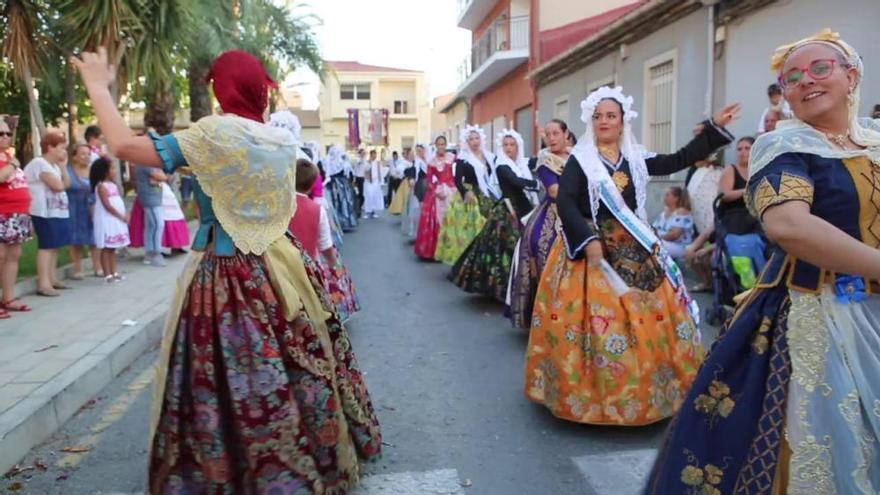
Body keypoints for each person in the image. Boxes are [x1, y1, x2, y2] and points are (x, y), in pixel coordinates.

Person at [72, 47, 381, 493]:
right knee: (298, 356)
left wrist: (98, 86)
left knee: (226, 370)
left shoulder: (214, 133)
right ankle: (311, 454)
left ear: (221, 90)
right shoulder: (275, 136)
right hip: (284, 263)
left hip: (227, 269)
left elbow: (122, 146)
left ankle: (240, 469)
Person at [646, 29, 880, 494]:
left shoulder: (874, 141)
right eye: (793, 77)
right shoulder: (785, 145)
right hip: (819, 312)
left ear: (852, 76)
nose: (806, 81)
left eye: (820, 69)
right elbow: (789, 226)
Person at [525, 86, 738, 426]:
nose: (604, 121)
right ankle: (597, 397)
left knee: (650, 319)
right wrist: (589, 239)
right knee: (600, 324)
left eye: (611, 116)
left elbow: (677, 159)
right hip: (591, 249)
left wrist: (712, 129)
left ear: (623, 121)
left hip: (637, 250)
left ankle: (656, 391)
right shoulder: (582, 160)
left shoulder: (635, 157)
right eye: (598, 117)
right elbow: (566, 202)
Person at [449, 129, 536, 301]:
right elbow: (514, 181)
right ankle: (505, 288)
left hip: (507, 203)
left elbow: (531, 163)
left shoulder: (499, 159)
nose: (509, 148)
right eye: (505, 145)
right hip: (498, 205)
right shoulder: (499, 165)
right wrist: (537, 184)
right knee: (506, 246)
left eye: (512, 145)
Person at [508, 119, 571, 329]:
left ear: (566, 134)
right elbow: (555, 192)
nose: (551, 138)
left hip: (578, 213)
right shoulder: (546, 162)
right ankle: (544, 317)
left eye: (556, 133)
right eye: (548, 134)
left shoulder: (578, 157)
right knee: (539, 247)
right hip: (553, 214)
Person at [289, 158, 361, 322]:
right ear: (312, 184)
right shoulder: (317, 210)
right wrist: (333, 264)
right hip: (308, 265)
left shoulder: (279, 206)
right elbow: (325, 245)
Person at [435, 125, 495, 265]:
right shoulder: (463, 158)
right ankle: (466, 260)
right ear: (467, 142)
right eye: (471, 139)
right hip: (469, 194)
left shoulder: (488, 157)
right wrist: (465, 192)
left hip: (485, 192)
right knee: (469, 228)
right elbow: (457, 179)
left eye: (476, 138)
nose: (474, 142)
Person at [25, 130, 72, 297]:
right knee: (46, 245)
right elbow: (58, 186)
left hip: (57, 211)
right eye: (60, 147)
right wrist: (62, 181)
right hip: (43, 211)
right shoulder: (40, 163)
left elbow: (67, 182)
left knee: (55, 245)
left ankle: (52, 278)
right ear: (50, 147)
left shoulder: (54, 166)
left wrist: (63, 167)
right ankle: (43, 283)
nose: (63, 151)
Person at [0, 117, 32, 316]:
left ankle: (8, 297)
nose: (5, 137)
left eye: (7, 133)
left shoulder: (7, 157)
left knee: (13, 255)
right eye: (0, 133)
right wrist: (13, 164)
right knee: (0, 256)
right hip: (2, 213)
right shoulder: (9, 161)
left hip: (18, 214)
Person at [684, 153, 724, 292]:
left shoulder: (718, 172)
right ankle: (707, 282)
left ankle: (717, 286)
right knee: (692, 253)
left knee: (707, 254)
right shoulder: (695, 172)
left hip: (714, 220)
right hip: (699, 221)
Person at [415, 135, 457, 259]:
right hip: (438, 192)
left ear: (446, 145)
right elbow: (429, 180)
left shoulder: (453, 158)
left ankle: (451, 249)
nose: (441, 146)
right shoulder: (432, 161)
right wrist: (435, 190)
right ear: (436, 146)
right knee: (436, 220)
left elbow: (458, 174)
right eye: (439, 144)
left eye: (443, 144)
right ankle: (435, 251)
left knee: (452, 219)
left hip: (452, 190)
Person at [90, 157, 129, 282]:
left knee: (113, 248)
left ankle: (115, 271)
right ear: (104, 171)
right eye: (112, 168)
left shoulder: (113, 185)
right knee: (107, 248)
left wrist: (124, 214)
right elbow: (107, 205)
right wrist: (120, 215)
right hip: (108, 220)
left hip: (115, 220)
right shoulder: (101, 187)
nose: (115, 171)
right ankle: (107, 274)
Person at [67, 143, 101, 278]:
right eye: (82, 154)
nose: (86, 157)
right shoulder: (68, 171)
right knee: (76, 240)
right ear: (74, 157)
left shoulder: (93, 171)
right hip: (75, 209)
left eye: (88, 154)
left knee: (95, 239)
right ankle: (78, 269)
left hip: (93, 209)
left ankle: (97, 266)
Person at [718, 136, 760, 235]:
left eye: (747, 148)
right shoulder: (730, 169)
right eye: (739, 149)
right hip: (734, 216)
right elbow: (723, 195)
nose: (742, 152)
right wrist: (745, 191)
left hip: (756, 217)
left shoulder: (759, 170)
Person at [132, 163, 168, 266]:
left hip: (153, 197)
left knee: (151, 226)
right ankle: (156, 253)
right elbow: (162, 177)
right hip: (150, 198)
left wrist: (159, 177)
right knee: (158, 224)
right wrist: (160, 176)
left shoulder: (150, 164)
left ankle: (149, 253)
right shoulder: (146, 164)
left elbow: (161, 177)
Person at [651, 186, 695, 260]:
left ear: (676, 198)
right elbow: (654, 227)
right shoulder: (664, 213)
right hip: (664, 242)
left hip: (679, 246)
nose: (665, 197)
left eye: (667, 195)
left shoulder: (681, 212)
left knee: (656, 246)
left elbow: (675, 235)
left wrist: (658, 238)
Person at [324, 144, 359, 230]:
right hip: (342, 184)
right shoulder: (344, 163)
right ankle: (345, 222)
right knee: (344, 202)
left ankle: (339, 223)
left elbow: (327, 174)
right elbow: (349, 174)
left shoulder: (329, 161)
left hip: (334, 184)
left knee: (337, 202)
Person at [401, 146, 429, 239]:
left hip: (427, 188)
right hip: (418, 188)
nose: (419, 153)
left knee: (424, 210)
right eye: (417, 151)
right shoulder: (415, 163)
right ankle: (416, 232)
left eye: (420, 151)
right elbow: (409, 172)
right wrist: (411, 178)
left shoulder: (428, 162)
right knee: (416, 209)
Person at [160, 181, 190, 253]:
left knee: (177, 218)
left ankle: (177, 246)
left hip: (167, 190)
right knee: (165, 220)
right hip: (160, 191)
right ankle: (159, 249)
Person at [388, 150, 413, 215]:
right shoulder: (404, 162)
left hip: (412, 182)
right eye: (410, 155)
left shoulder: (413, 162)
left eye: (412, 155)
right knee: (405, 197)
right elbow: (398, 170)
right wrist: (400, 175)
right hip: (406, 182)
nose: (411, 156)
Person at [363, 149, 385, 218]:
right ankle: (367, 212)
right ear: (371, 155)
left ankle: (373, 211)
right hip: (369, 182)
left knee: (375, 197)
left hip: (376, 182)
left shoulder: (378, 163)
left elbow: (381, 173)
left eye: (375, 155)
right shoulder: (367, 163)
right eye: (373, 155)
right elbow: (365, 170)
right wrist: (369, 163)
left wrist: (381, 182)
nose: (374, 156)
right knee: (368, 196)